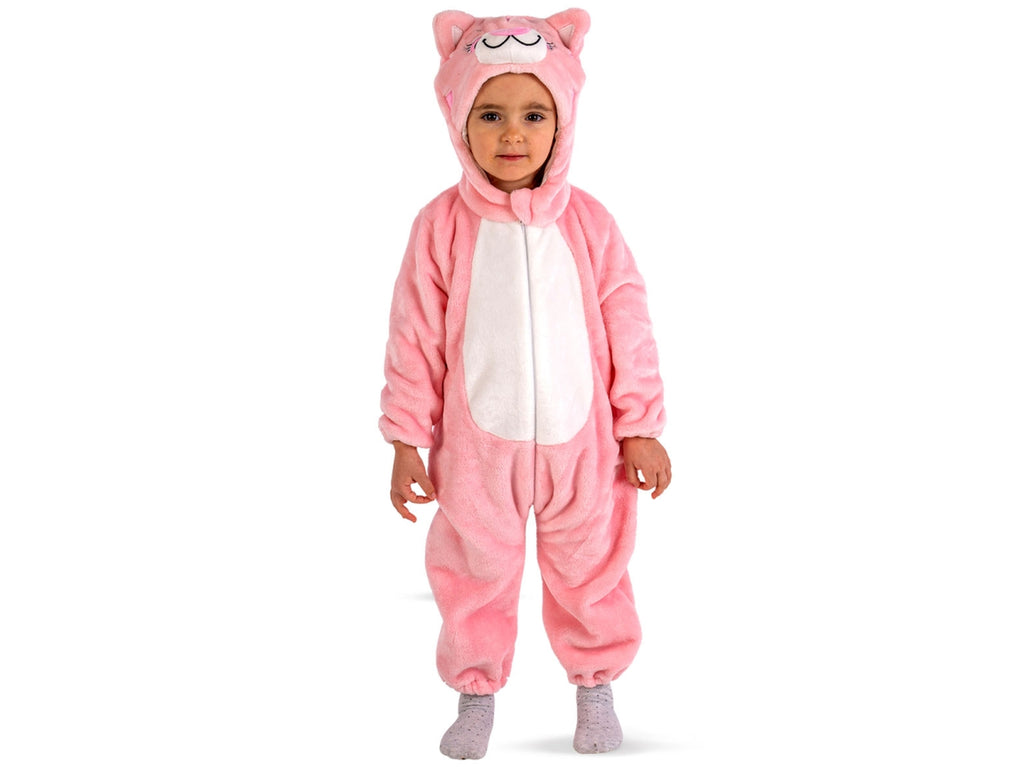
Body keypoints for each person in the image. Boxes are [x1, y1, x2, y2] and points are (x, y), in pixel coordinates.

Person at [379, 9, 671, 758]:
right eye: (491, 114)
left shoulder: (590, 223)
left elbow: (629, 322)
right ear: (458, 120)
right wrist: (406, 439)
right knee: (474, 572)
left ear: (563, 121)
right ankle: (475, 696)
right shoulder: (441, 226)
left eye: (534, 114)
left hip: (585, 446)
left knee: (593, 570)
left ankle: (595, 687)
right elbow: (413, 335)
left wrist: (641, 425)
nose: (513, 132)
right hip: (478, 451)